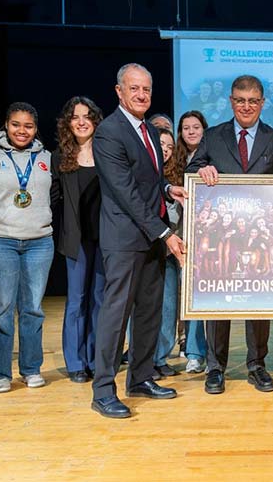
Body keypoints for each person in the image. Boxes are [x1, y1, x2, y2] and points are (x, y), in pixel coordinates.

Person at [186, 75, 273, 395]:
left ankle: (257, 365)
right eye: (240, 100)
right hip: (222, 238)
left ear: (262, 103)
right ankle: (215, 367)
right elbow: (191, 172)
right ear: (231, 102)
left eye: (253, 101)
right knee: (219, 300)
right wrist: (200, 170)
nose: (246, 107)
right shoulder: (213, 136)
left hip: (258, 239)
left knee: (259, 300)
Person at [90, 63, 186, 419]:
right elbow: (125, 193)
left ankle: (141, 376)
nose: (142, 94)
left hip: (151, 237)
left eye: (146, 89)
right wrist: (166, 233)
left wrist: (167, 188)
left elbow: (147, 181)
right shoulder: (109, 132)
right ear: (119, 91)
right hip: (125, 239)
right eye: (134, 89)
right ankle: (102, 391)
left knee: (150, 311)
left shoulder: (147, 129)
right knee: (116, 316)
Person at [0, 102, 54, 393]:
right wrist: (0, 208)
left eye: (29, 126)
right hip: (0, 239)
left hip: (39, 241)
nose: (22, 131)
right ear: (6, 125)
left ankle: (31, 368)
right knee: (1, 309)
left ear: (35, 129)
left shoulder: (46, 157)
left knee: (33, 308)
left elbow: (53, 192)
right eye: (16, 124)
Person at [51, 96, 105, 384]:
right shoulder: (60, 157)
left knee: (100, 300)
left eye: (87, 116)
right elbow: (52, 198)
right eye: (75, 117)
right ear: (68, 123)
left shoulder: (108, 154)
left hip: (105, 240)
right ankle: (75, 362)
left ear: (96, 120)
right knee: (76, 301)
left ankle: (97, 359)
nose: (82, 122)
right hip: (76, 240)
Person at [174, 111, 209, 373]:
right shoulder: (172, 159)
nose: (191, 132)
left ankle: (198, 352)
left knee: (199, 296)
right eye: (186, 128)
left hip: (205, 236)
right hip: (176, 234)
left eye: (196, 127)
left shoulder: (213, 158)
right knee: (181, 297)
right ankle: (188, 350)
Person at [152, 127, 183, 378]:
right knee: (141, 308)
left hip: (170, 251)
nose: (165, 149)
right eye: (160, 144)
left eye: (169, 146)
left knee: (168, 307)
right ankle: (141, 356)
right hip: (145, 249)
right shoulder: (140, 170)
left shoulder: (177, 177)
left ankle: (160, 357)